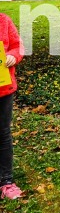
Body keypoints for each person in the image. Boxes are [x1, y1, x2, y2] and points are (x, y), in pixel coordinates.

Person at [0, 12, 24, 200]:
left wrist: (13, 56)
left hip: (3, 89)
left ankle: (6, 181)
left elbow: (17, 46)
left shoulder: (4, 20)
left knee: (3, 134)